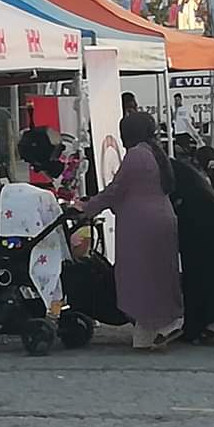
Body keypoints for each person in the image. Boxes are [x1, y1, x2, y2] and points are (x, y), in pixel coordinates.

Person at [82, 113, 183, 349]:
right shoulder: (154, 153)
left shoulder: (136, 155)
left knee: (138, 276)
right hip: (162, 218)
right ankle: (158, 326)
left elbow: (116, 190)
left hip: (140, 224)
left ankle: (154, 326)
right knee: (159, 274)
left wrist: (87, 208)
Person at [170, 157, 214, 342]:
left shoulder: (165, 171)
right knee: (210, 271)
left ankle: (201, 323)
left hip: (200, 226)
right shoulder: (182, 173)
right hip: (205, 223)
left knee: (198, 274)